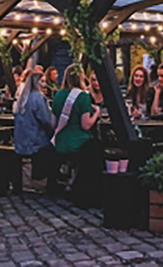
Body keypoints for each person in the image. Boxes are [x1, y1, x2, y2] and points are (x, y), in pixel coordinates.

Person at [51, 65, 102, 207]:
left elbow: (53, 123)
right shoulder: (83, 97)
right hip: (78, 142)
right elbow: (86, 125)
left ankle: (70, 180)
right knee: (95, 147)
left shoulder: (58, 95)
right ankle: (81, 185)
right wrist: (97, 113)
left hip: (60, 141)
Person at [13, 71, 56, 190]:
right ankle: (47, 180)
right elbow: (46, 120)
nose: (44, 85)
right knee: (55, 148)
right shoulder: (38, 97)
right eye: (42, 81)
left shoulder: (21, 97)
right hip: (35, 141)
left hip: (21, 140)